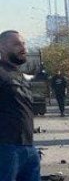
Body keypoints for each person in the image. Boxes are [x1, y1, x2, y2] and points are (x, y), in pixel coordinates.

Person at [0, 30, 40, 181]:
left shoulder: (18, 75)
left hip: (28, 148)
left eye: (24, 43)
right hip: (5, 149)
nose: (23, 48)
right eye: (17, 44)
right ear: (1, 47)